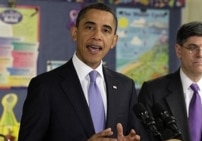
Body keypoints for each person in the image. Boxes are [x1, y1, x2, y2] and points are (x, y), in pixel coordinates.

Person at [18, 3, 146, 141]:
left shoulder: (125, 86)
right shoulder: (44, 86)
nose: (97, 36)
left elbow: (134, 135)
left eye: (106, 30)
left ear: (114, 41)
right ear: (75, 33)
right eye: (90, 27)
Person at [137, 21, 202, 141]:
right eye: (193, 48)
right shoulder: (152, 91)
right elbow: (142, 137)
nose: (200, 54)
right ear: (179, 51)